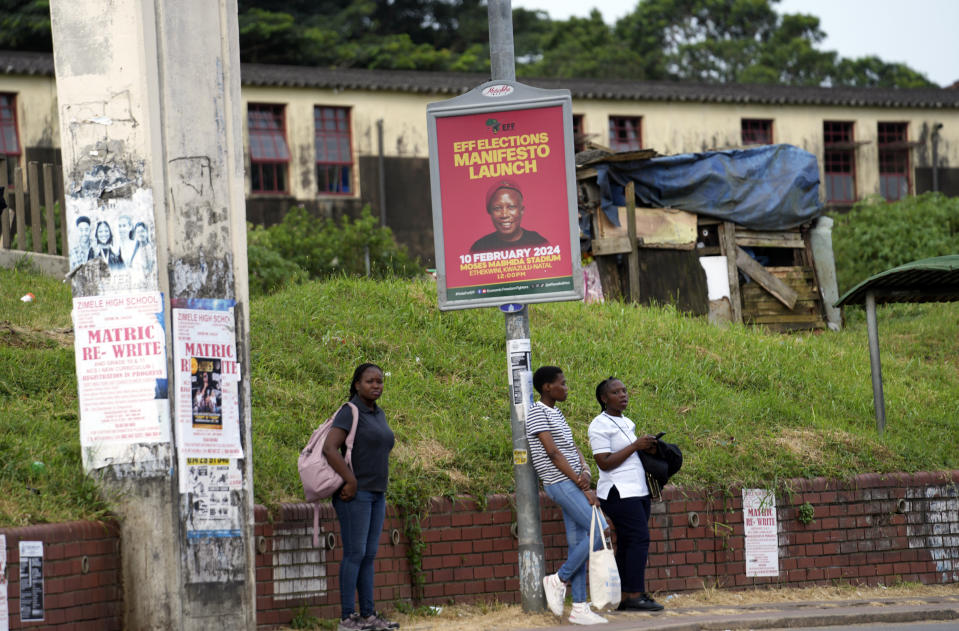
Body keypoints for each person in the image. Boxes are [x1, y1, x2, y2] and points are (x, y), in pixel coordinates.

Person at [527, 366, 609, 625]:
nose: (566, 388)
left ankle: (579, 608)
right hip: (561, 483)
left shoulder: (557, 412)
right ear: (546, 387)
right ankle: (558, 579)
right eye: (562, 384)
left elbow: (571, 448)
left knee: (579, 544)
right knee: (600, 530)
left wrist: (584, 470)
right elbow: (552, 452)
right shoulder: (536, 413)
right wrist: (581, 484)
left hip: (573, 480)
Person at [322, 363, 399, 631]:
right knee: (354, 554)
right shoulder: (350, 411)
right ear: (357, 384)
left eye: (379, 381)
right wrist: (351, 480)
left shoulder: (378, 413)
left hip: (377, 493)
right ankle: (346, 618)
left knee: (368, 555)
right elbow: (330, 448)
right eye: (370, 381)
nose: (376, 385)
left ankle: (368, 615)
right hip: (355, 494)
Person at [588, 377, 665, 612]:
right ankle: (633, 595)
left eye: (624, 391)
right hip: (619, 493)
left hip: (638, 491)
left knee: (631, 542)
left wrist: (649, 447)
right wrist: (635, 446)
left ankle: (625, 595)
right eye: (615, 392)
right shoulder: (599, 425)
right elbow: (605, 463)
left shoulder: (627, 422)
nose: (623, 395)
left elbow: (631, 457)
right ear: (604, 398)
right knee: (638, 540)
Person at [469, 179, 548, 253]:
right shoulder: (480, 248)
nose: (504, 215)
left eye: (511, 207)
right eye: (497, 208)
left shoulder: (538, 243)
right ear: (490, 212)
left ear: (521, 210)